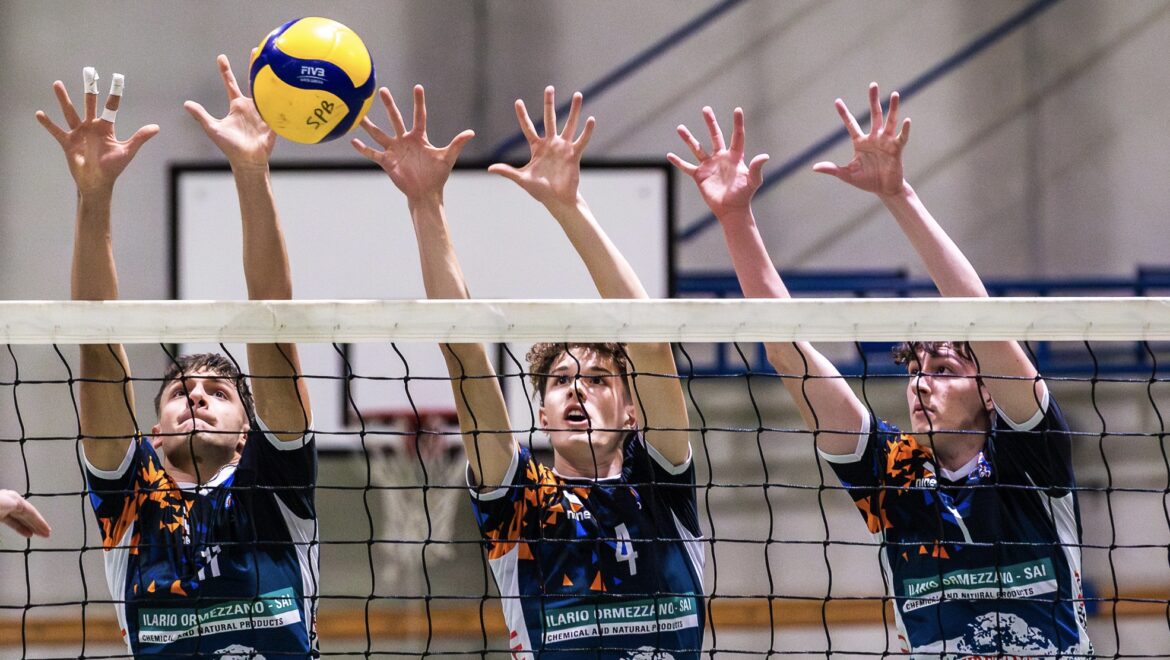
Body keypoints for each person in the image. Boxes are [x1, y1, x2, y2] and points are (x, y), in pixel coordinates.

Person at [669, 84, 1092, 657]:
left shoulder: (1030, 458)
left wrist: (898, 195)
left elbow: (984, 322)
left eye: (944, 369)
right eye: (915, 369)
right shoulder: (893, 475)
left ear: (989, 392)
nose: (921, 382)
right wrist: (736, 217)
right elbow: (787, 354)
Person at [353, 85, 704, 658]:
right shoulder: (518, 498)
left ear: (632, 409)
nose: (577, 391)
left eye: (597, 380)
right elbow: (464, 354)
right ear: (540, 412)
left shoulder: (661, 483)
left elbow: (649, 338)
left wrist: (570, 206)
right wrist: (425, 203)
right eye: (562, 381)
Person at [37, 57, 316, 658]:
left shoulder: (275, 487)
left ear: (248, 434)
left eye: (220, 395)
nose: (196, 396)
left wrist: (251, 170)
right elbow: (99, 343)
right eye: (180, 394)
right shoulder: (131, 500)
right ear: (154, 433)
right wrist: (93, 196)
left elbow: (272, 321)